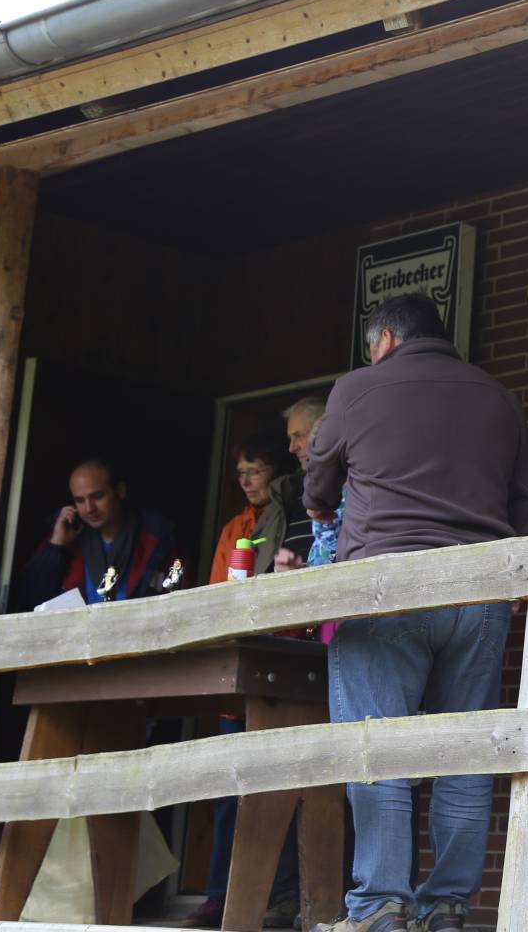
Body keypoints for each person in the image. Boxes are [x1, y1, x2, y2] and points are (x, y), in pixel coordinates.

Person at [304, 293, 528, 932]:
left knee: (378, 748)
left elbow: (319, 485)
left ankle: (380, 904)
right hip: (479, 594)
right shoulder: (500, 398)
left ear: (383, 341)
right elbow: (523, 507)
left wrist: (325, 516)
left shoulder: (357, 389)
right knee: (463, 752)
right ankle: (447, 908)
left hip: (386, 590)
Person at [185, 434, 301, 928]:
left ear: (276, 473)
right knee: (229, 788)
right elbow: (215, 594)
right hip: (239, 668)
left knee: (284, 788)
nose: (248, 481)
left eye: (256, 471)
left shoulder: (293, 515)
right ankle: (220, 894)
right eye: (241, 474)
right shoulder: (236, 527)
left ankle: (282, 896)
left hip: (282, 666)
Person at [12, 458, 179, 610]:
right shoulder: (67, 540)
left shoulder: (155, 540)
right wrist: (55, 546)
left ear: (120, 491)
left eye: (97, 496)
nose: (89, 508)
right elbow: (28, 601)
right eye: (79, 500)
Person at [207, 435, 288, 584]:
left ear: (275, 471)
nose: (245, 482)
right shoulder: (232, 529)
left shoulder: (290, 517)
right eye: (241, 473)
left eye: (253, 472)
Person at [259, 396, 325, 576]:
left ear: (323, 432)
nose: (291, 448)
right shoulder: (287, 494)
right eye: (290, 438)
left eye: (298, 436)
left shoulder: (350, 488)